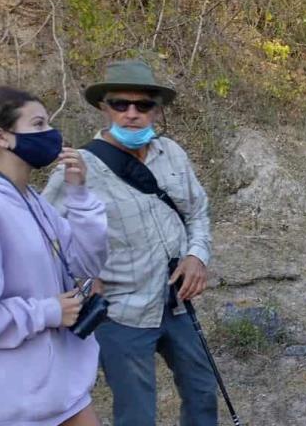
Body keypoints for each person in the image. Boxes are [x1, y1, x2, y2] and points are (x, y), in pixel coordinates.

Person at [43, 59, 218, 426]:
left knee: (203, 394)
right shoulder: (78, 168)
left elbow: (197, 211)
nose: (132, 114)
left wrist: (196, 256)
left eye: (143, 105)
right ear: (104, 108)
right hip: (121, 313)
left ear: (157, 110)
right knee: (136, 414)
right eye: (121, 104)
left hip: (177, 304)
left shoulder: (171, 153)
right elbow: (45, 239)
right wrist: (82, 284)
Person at [0, 86, 108, 425]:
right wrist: (48, 311)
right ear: (3, 137)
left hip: (65, 390)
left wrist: (79, 193)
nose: (51, 135)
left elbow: (88, 263)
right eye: (39, 124)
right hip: (15, 403)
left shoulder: (33, 201)